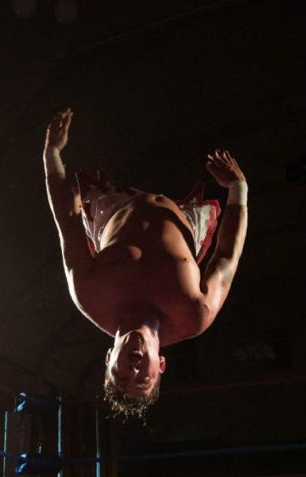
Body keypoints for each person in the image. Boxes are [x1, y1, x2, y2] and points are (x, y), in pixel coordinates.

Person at [43, 109, 249, 418]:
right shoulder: (195, 313)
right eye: (142, 380)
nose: (133, 369)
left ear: (108, 358)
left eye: (121, 375)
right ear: (161, 365)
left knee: (79, 201)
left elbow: (67, 222)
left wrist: (51, 154)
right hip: (186, 219)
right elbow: (226, 257)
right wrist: (238, 189)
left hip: (113, 208)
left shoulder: (89, 296)